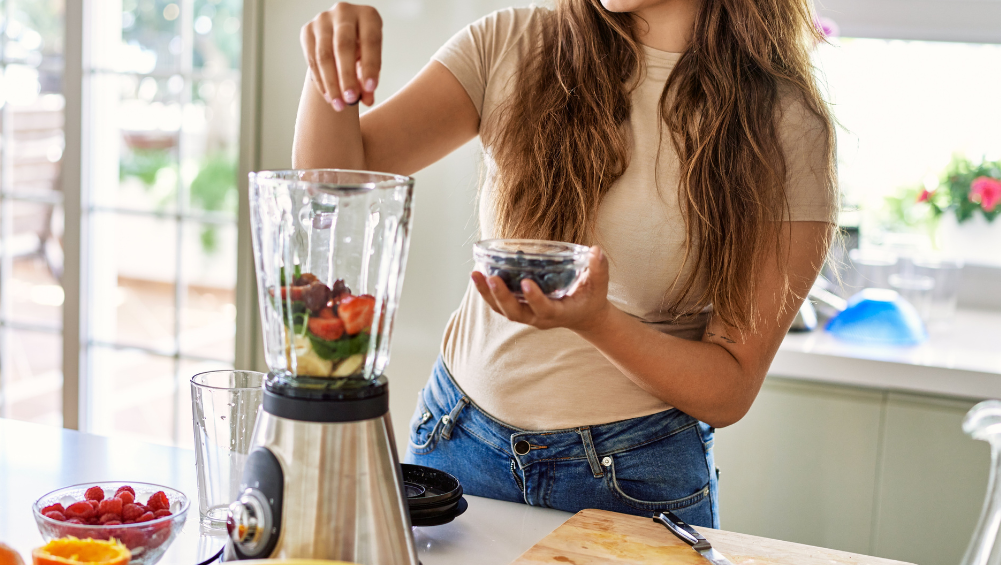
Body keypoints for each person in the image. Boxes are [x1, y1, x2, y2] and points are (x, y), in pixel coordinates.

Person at [292, 0, 836, 527]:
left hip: (632, 478)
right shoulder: (512, 43)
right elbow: (335, 185)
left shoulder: (784, 123)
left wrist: (596, 322)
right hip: (455, 444)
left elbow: (729, 388)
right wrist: (331, 71)